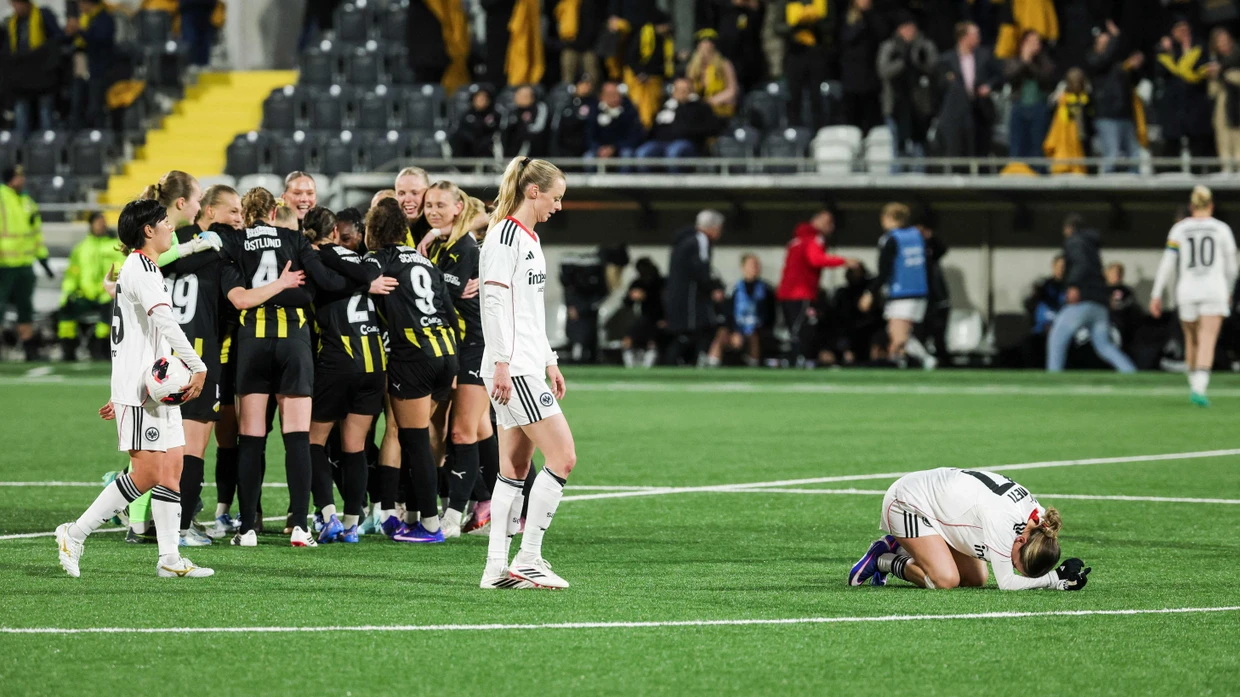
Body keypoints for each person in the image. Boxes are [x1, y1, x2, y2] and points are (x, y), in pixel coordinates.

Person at [55, 198, 212, 579]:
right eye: (164, 221)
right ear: (148, 230)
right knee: (146, 474)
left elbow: (129, 337)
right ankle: (74, 534)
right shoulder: (140, 270)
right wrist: (197, 365)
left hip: (154, 384)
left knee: (173, 467)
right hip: (144, 389)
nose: (170, 226)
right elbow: (165, 322)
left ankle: (170, 559)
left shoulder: (145, 267)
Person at [221, 189, 349, 548]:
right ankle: (299, 527)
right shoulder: (294, 239)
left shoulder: (233, 242)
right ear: (275, 213)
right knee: (297, 438)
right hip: (294, 341)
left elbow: (238, 298)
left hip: (251, 343)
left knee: (251, 438)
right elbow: (318, 285)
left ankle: (246, 528)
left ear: (245, 216)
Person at [478, 156, 575, 590]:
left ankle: (496, 568)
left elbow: (530, 312)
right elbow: (493, 305)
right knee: (563, 457)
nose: (558, 206)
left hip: (524, 364)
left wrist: (550, 359)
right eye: (555, 198)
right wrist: (501, 363)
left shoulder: (529, 238)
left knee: (513, 470)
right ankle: (530, 558)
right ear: (533, 192)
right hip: (512, 368)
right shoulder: (503, 237)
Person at [365, 197, 458, 544]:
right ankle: (417, 516)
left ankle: (430, 526)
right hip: (445, 352)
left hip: (413, 355)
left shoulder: (378, 260)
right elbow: (447, 308)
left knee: (414, 440)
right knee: (423, 438)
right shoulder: (424, 260)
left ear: (373, 230)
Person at [303, 206, 396, 543]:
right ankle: (353, 523)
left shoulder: (316, 259)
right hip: (374, 362)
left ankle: (328, 517)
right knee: (354, 447)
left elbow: (322, 287)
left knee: (313, 440)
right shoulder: (365, 261)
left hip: (338, 359)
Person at [847, 467, 1090, 592]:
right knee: (945, 580)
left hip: (941, 509)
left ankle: (903, 545)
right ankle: (884, 559)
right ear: (1021, 542)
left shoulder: (1036, 523)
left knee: (976, 579)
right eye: (1017, 564)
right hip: (908, 502)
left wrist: (1060, 582)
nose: (1012, 566)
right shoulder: (1004, 519)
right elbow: (1007, 583)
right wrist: (1054, 579)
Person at [159, 184, 238, 547]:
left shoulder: (165, 246)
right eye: (233, 212)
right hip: (198, 358)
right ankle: (182, 526)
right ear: (205, 210)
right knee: (193, 449)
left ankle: (146, 524)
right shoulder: (218, 248)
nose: (238, 220)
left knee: (159, 447)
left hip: (161, 358)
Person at [418, 183, 493, 538]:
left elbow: (439, 294)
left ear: (458, 207)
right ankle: (489, 504)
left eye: (440, 205)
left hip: (474, 347)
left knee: (462, 430)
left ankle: (452, 515)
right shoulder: (444, 244)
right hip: (453, 347)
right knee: (472, 430)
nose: (433, 210)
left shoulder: (462, 247)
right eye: (429, 205)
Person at [1150, 187, 1237, 406]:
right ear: (1211, 206)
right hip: (1213, 289)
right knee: (1208, 338)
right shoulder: (1221, 229)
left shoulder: (1179, 229)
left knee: (1192, 339)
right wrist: (1229, 290)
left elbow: (1167, 264)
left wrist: (1156, 294)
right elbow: (1232, 266)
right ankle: (1199, 388)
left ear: (1191, 206)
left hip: (1187, 291)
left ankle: (1194, 383)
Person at [1046, 213, 1136, 373]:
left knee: (1057, 337)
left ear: (1068, 228)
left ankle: (1053, 376)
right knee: (1104, 345)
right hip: (1099, 303)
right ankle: (1130, 372)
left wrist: (1073, 286)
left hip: (1083, 299)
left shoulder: (1075, 241)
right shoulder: (1091, 244)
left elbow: (1080, 264)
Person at [777, 209, 853, 366]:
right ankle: (799, 360)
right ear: (816, 221)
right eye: (827, 223)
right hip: (801, 293)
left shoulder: (796, 240)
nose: (830, 228)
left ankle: (794, 359)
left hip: (786, 293)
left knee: (794, 330)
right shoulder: (815, 239)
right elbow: (816, 259)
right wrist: (844, 261)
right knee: (803, 330)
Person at [860, 203, 930, 366]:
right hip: (920, 292)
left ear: (888, 218)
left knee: (898, 337)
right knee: (901, 336)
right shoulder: (917, 235)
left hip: (902, 292)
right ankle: (905, 363)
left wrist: (870, 293)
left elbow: (884, 271)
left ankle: (927, 359)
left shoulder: (891, 239)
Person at [58, 212, 125, 361]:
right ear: (91, 225)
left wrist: (110, 289)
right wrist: (67, 293)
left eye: (103, 222)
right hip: (85, 295)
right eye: (99, 222)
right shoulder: (81, 248)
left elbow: (120, 269)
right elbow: (72, 274)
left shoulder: (115, 246)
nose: (102, 225)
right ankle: (68, 348)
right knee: (66, 308)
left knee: (111, 309)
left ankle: (101, 346)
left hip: (106, 295)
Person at [0, 165, 51, 361]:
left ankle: (30, 350)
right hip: (3, 265)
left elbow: (35, 234)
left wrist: (42, 258)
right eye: (19, 177)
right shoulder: (2, 198)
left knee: (25, 308)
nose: (23, 181)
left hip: (24, 265)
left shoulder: (28, 202)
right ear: (10, 179)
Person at [877, 12, 938, 170]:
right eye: (906, 28)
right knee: (897, 144)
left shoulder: (925, 46)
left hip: (919, 106)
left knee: (919, 145)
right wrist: (902, 62)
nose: (910, 31)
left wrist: (917, 60)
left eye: (912, 28)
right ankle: (896, 183)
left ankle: (919, 180)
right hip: (895, 105)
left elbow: (933, 68)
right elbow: (883, 71)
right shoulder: (889, 47)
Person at [664, 209, 723, 366]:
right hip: (690, 299)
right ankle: (696, 360)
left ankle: (683, 362)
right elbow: (701, 269)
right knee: (706, 327)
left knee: (688, 333)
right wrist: (713, 288)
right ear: (712, 227)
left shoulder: (684, 240)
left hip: (677, 296)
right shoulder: (700, 240)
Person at [935, 22, 1001, 162]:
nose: (979, 37)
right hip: (956, 115)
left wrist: (989, 86)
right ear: (963, 37)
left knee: (979, 154)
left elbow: (999, 76)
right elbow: (939, 86)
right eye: (975, 34)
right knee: (956, 154)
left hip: (980, 114)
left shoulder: (985, 56)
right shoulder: (946, 60)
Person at [1087, 24, 1144, 173]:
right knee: (1111, 156)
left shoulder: (1120, 65)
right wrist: (1116, 38)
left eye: (1109, 43)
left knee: (1134, 156)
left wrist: (1136, 67)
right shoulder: (1093, 59)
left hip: (1126, 115)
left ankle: (1136, 192)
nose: (1107, 46)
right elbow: (1104, 60)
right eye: (1103, 43)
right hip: (1106, 116)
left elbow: (1134, 82)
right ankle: (1107, 193)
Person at [1156, 18, 1215, 162]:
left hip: (1196, 105)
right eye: (1179, 30)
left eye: (1186, 29)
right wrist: (1169, 51)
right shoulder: (1166, 51)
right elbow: (1160, 72)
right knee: (1171, 146)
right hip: (1174, 107)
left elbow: (1204, 70)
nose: (1183, 33)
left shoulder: (1200, 47)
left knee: (1199, 145)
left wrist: (1188, 51)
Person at [2, 0, 62, 138]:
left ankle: (48, 147)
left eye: (17, 4)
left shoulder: (43, 15)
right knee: (21, 112)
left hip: (43, 75)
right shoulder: (12, 22)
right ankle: (22, 149)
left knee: (45, 111)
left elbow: (57, 40)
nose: (15, 8)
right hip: (21, 78)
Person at [775, 0, 836, 130]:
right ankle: (795, 132)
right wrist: (796, 23)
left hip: (816, 55)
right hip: (795, 55)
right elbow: (777, 27)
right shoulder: (785, 3)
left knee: (817, 98)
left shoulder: (823, 2)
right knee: (794, 97)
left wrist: (815, 20)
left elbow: (832, 25)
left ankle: (818, 131)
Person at [634, 78, 721, 167]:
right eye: (678, 89)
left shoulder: (700, 106)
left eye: (684, 90)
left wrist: (688, 131)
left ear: (691, 91)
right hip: (661, 142)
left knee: (674, 152)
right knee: (643, 153)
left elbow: (712, 128)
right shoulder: (666, 105)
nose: (681, 92)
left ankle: (675, 180)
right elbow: (655, 127)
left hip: (687, 143)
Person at [1004, 30, 1055, 165]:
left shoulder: (1044, 61)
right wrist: (1023, 62)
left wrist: (1029, 63)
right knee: (1017, 145)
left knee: (1037, 147)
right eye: (1031, 42)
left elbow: (1045, 79)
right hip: (1019, 106)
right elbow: (1011, 77)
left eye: (1037, 42)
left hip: (1039, 107)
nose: (1034, 45)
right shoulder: (1014, 60)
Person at [65, 0, 117, 131]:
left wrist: (80, 31)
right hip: (83, 68)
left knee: (96, 107)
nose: (80, 7)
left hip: (99, 70)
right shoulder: (85, 18)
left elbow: (99, 39)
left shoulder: (104, 18)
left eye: (82, 3)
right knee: (78, 104)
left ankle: (98, 137)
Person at [837, 0, 886, 134]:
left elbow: (881, 34)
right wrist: (862, 24)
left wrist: (868, 15)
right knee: (852, 116)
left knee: (870, 116)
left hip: (870, 74)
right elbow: (846, 38)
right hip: (851, 73)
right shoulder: (847, 17)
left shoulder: (875, 16)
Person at [728, 254, 776, 366]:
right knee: (721, 335)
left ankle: (753, 364)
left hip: (758, 329)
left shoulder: (767, 290)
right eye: (751, 264)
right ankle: (711, 364)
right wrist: (735, 330)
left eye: (757, 265)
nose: (754, 267)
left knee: (754, 335)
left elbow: (770, 316)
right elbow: (728, 314)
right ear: (742, 267)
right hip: (738, 329)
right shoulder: (733, 289)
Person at [685, 29, 738, 120]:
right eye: (703, 42)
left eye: (710, 42)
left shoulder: (724, 64)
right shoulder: (692, 67)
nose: (707, 45)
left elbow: (732, 90)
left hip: (720, 108)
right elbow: (688, 88)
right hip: (699, 109)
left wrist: (712, 101)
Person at [621, 256, 664, 368]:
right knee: (629, 335)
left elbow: (662, 303)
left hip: (655, 319)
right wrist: (632, 296)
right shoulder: (636, 283)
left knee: (651, 335)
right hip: (638, 319)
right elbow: (626, 302)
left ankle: (648, 361)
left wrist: (645, 296)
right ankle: (630, 362)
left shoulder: (659, 283)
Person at [1208, 28, 1240, 172]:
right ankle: (1226, 175)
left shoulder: (1237, 58)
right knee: (1224, 147)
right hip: (1223, 110)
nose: (1223, 44)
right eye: (1219, 42)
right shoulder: (1215, 62)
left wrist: (1224, 73)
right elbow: (1211, 93)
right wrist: (1213, 76)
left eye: (1225, 40)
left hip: (1238, 107)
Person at [585, 82, 643, 160]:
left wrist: (614, 148)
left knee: (627, 154)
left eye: (616, 94)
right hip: (600, 149)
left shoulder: (629, 110)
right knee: (588, 157)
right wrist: (599, 148)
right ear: (602, 96)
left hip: (621, 148)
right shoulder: (595, 110)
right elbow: (589, 135)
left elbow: (634, 136)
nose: (614, 97)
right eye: (609, 94)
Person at [450, 87, 501, 158]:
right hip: (468, 146)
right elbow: (461, 130)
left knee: (485, 145)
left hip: (485, 146)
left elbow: (496, 132)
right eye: (478, 98)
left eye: (483, 98)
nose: (481, 100)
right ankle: (460, 166)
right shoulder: (467, 114)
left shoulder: (494, 115)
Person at [501, 85, 550, 157]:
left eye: (525, 96)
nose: (520, 98)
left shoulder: (539, 108)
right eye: (519, 95)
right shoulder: (511, 110)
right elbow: (503, 129)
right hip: (511, 152)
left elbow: (538, 129)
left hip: (534, 152)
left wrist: (524, 127)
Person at [1105, 262, 1141, 357]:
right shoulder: (1098, 289)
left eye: (1120, 272)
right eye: (1114, 272)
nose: (1117, 275)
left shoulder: (1125, 291)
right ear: (1106, 273)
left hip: (1119, 325)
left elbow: (1128, 307)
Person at [394, 166, 431, 245]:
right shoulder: (388, 229)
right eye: (402, 193)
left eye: (415, 193)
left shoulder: (440, 225)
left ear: (428, 193)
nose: (407, 200)